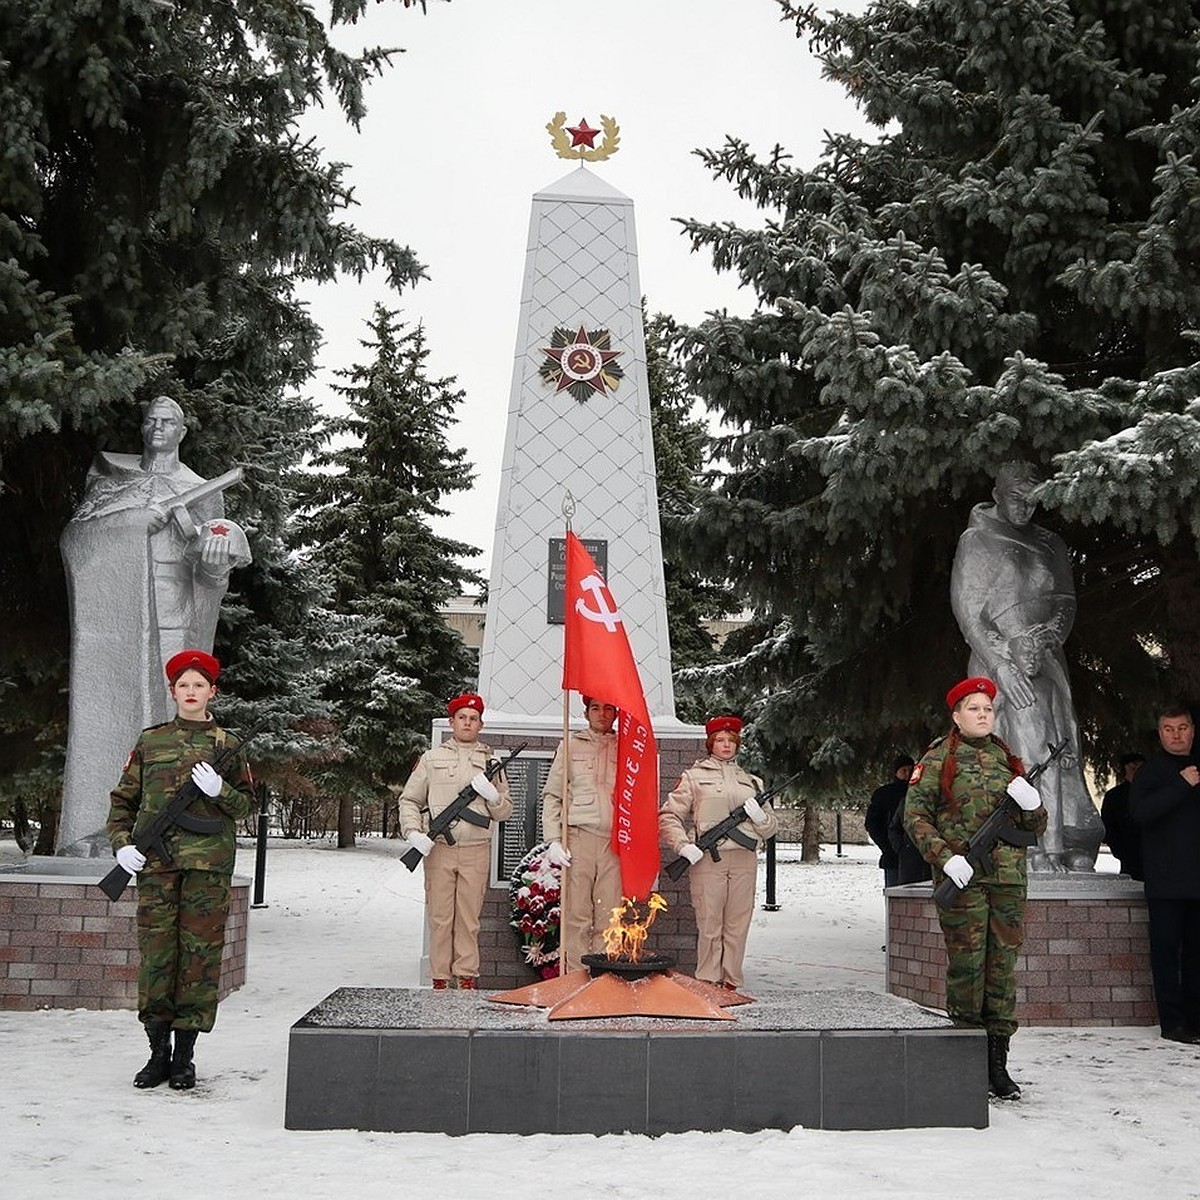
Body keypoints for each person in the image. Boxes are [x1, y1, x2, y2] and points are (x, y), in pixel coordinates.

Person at [60, 396, 251, 854]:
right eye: (151, 421)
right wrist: (132, 522)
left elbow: (210, 572)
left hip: (177, 614)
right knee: (110, 713)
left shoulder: (201, 488)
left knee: (171, 721)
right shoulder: (113, 478)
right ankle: (100, 829)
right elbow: (77, 536)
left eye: (168, 422)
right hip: (120, 617)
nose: (158, 428)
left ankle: (166, 827)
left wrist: (215, 562)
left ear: (183, 431)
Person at [106, 649, 254, 1091]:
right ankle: (157, 1054)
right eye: (183, 686)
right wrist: (121, 847)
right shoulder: (151, 742)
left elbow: (245, 806)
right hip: (156, 868)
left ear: (213, 691)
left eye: (199, 685)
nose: (191, 692)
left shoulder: (227, 745)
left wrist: (220, 790)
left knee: (199, 961)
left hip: (207, 871)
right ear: (173, 692)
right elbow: (122, 805)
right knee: (157, 960)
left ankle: (185, 1057)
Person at [950, 462, 1102, 872]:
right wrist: (1002, 665)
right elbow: (968, 611)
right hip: (998, 662)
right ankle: (1022, 842)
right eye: (1017, 498)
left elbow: (1065, 600)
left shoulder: (1051, 542)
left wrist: (1047, 637)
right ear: (997, 494)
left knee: (1057, 746)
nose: (1025, 508)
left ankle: (1064, 835)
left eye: (1033, 501)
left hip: (1045, 658)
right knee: (1015, 750)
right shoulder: (977, 540)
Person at [904, 676, 1047, 1100]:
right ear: (956, 715)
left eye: (987, 709)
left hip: (1006, 878)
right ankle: (965, 1059)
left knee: (1001, 969)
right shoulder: (936, 759)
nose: (982, 715)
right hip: (963, 878)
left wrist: (1034, 805)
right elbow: (914, 816)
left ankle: (997, 1064)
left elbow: (1033, 828)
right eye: (974, 709)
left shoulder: (1009, 761)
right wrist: (945, 858)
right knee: (968, 967)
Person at [399, 693, 513, 990]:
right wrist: (414, 833)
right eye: (462, 717)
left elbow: (505, 811)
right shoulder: (431, 758)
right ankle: (439, 978)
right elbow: (410, 799)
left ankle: (466, 977)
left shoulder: (492, 762)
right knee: (439, 917)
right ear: (452, 722)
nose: (467, 723)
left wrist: (491, 795)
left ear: (480, 724)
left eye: (473, 719)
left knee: (468, 919)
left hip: (476, 851)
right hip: (440, 851)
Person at [659, 715, 779, 991]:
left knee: (737, 925)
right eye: (720, 740)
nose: (726, 745)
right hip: (708, 861)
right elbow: (668, 816)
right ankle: (708, 983)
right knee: (710, 924)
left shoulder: (752, 782)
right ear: (710, 744)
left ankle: (731, 984)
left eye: (731, 741)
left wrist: (759, 816)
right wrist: (682, 845)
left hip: (744, 860)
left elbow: (770, 828)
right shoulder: (693, 777)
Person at [1128, 706, 1200, 1044]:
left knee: (1197, 957)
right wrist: (1181, 785)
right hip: (1167, 884)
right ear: (1160, 734)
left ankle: (1196, 1021)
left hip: (1197, 883)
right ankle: (1172, 1023)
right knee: (1167, 955)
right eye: (1169, 729)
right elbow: (1141, 814)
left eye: (1182, 728)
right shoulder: (1152, 773)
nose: (1176, 735)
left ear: (1192, 731)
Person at [541, 695, 621, 973]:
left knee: (610, 915)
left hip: (614, 842)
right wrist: (553, 840)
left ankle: (604, 977)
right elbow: (553, 795)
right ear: (586, 713)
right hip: (579, 837)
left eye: (608, 708)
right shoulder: (570, 744)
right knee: (577, 916)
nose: (602, 714)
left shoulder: (627, 748)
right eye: (595, 708)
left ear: (616, 714)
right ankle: (576, 977)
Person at [865, 756, 914, 888]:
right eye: (903, 770)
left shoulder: (918, 792)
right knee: (895, 896)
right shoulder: (883, 794)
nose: (907, 774)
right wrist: (887, 847)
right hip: (893, 856)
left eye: (910, 770)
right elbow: (872, 824)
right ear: (896, 772)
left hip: (917, 858)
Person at [1100, 753, 1147, 880]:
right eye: (1133, 767)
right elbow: (1108, 826)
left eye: (1140, 767)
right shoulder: (1114, 796)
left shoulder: (1152, 793)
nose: (1137, 770)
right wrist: (1120, 852)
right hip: (1128, 853)